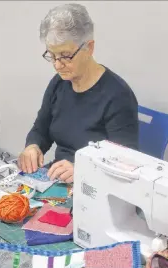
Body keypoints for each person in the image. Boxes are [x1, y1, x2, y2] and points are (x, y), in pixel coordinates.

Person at [18, 3, 138, 183]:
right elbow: (41, 128)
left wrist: (83, 170)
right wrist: (33, 146)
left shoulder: (118, 96)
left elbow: (124, 165)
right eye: (52, 55)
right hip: (59, 179)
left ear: (89, 48)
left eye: (65, 56)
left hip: (96, 188)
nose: (57, 65)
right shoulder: (59, 83)